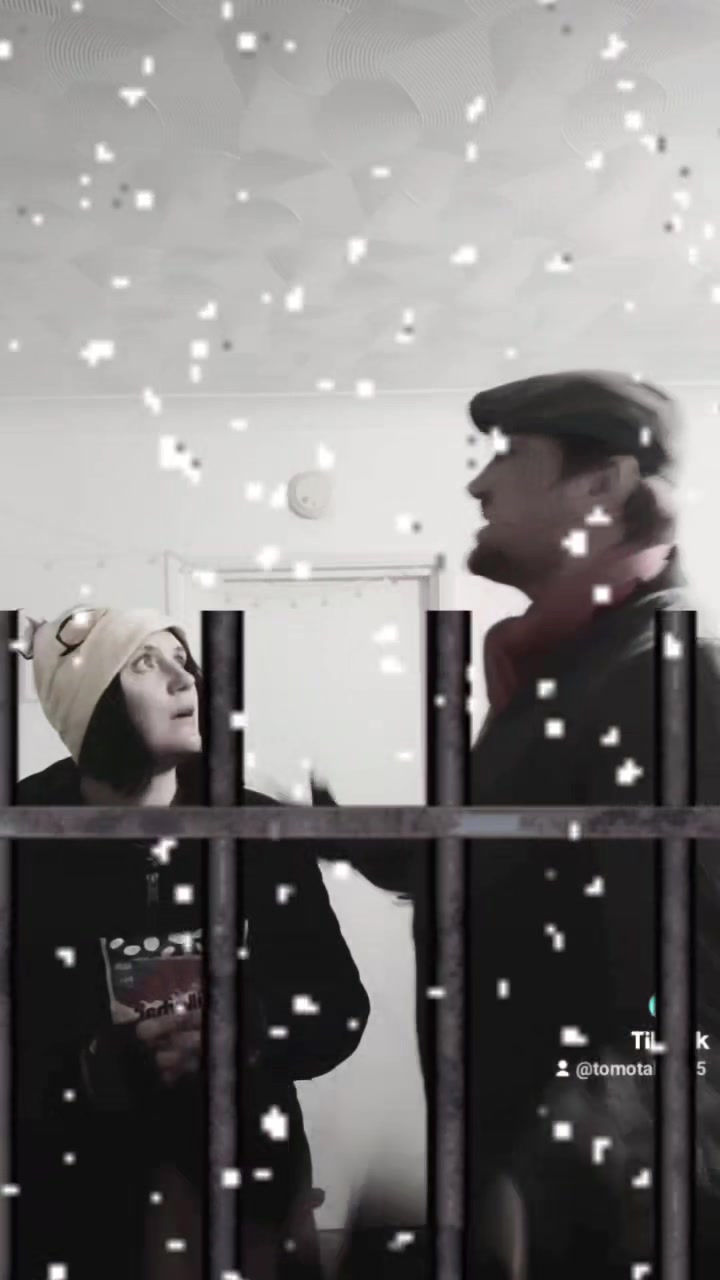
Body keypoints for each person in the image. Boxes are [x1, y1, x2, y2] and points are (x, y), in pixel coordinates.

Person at [313, 371, 720, 1277]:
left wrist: (529, 1186)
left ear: (602, 485)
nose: (477, 484)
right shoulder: (558, 680)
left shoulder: (670, 678)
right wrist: (336, 830)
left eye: (508, 457)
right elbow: (519, 864)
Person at [12, 605, 370, 1280]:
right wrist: (89, 1065)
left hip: (249, 1195)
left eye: (183, 660)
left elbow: (339, 1010)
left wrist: (249, 1032)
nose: (185, 680)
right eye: (145, 664)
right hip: (78, 1201)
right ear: (89, 704)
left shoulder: (255, 829)